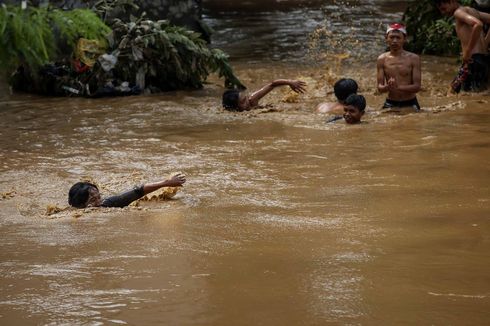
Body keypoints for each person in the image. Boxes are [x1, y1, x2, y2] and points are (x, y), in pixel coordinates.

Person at [435, 0, 490, 92]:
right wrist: (486, 42)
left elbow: (478, 24)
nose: (443, 13)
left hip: (473, 60)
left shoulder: (458, 12)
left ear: (452, 1)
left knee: (455, 92)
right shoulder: (473, 11)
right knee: (477, 94)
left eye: (444, 9)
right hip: (484, 59)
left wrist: (468, 52)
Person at [68, 173, 186, 208]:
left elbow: (139, 191)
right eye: (93, 200)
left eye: (99, 197)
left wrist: (167, 183)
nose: (99, 202)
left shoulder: (108, 203)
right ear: (80, 205)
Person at [377, 23, 422, 111]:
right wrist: (387, 87)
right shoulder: (381, 59)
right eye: (392, 37)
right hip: (390, 102)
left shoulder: (414, 58)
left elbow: (417, 86)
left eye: (398, 38)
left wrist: (398, 87)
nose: (394, 41)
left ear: (404, 39)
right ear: (386, 38)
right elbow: (380, 88)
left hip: (410, 102)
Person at [222, 79, 306, 111]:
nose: (247, 101)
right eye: (243, 102)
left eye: (246, 98)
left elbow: (272, 84)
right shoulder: (234, 113)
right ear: (236, 108)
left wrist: (290, 82)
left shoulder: (252, 100)